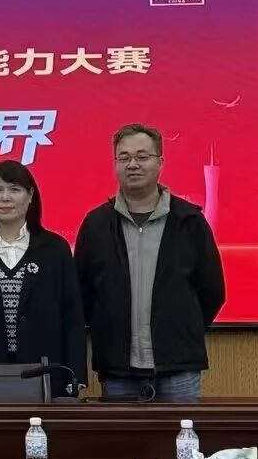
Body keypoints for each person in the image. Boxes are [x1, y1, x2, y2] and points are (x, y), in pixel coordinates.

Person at [75, 124, 225, 403]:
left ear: (160, 163)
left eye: (142, 157)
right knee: (123, 434)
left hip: (179, 369)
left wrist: (181, 328)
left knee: (182, 433)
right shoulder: (97, 224)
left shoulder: (189, 221)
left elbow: (212, 291)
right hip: (118, 372)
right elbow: (82, 293)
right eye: (124, 157)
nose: (133, 164)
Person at [0, 160, 85, 397]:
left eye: (14, 190)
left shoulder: (55, 248)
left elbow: (72, 316)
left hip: (45, 372)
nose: (5, 198)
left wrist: (76, 375)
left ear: (30, 195)